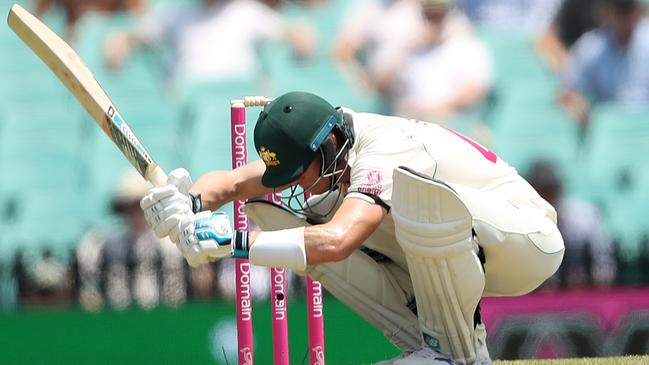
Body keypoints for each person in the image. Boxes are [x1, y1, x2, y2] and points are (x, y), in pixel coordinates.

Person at [140, 91, 565, 364]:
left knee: (355, 219)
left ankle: (451, 356)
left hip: (525, 236)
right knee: (308, 220)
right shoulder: (325, 145)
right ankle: (444, 353)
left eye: (300, 173)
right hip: (475, 244)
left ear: (325, 145)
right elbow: (232, 184)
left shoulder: (381, 151)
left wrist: (232, 242)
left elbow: (338, 241)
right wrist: (186, 206)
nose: (300, 186)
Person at [104, 0, 314, 88]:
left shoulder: (245, 11)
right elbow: (135, 35)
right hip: (189, 101)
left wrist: (302, 35)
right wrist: (121, 41)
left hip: (237, 99)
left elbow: (292, 32)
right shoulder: (177, 15)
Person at [77, 171, 185, 311]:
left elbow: (176, 293)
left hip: (161, 317)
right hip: (119, 319)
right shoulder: (109, 245)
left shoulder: (167, 243)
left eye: (140, 206)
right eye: (129, 207)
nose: (135, 213)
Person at [386, 0, 492, 121]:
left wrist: (432, 109)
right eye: (429, 15)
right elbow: (382, 86)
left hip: (450, 121)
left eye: (440, 15)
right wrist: (405, 50)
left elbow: (473, 92)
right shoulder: (410, 48)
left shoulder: (468, 46)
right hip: (408, 121)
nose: (434, 22)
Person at [527, 161, 616, 288]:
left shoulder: (584, 216)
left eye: (551, 189)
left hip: (586, 289)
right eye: (541, 190)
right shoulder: (525, 219)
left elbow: (604, 263)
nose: (547, 196)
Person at [561, 0, 649, 125]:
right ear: (606, 12)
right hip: (607, 126)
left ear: (639, 12)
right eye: (616, 9)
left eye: (626, 10)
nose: (621, 16)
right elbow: (569, 90)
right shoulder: (591, 46)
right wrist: (579, 107)